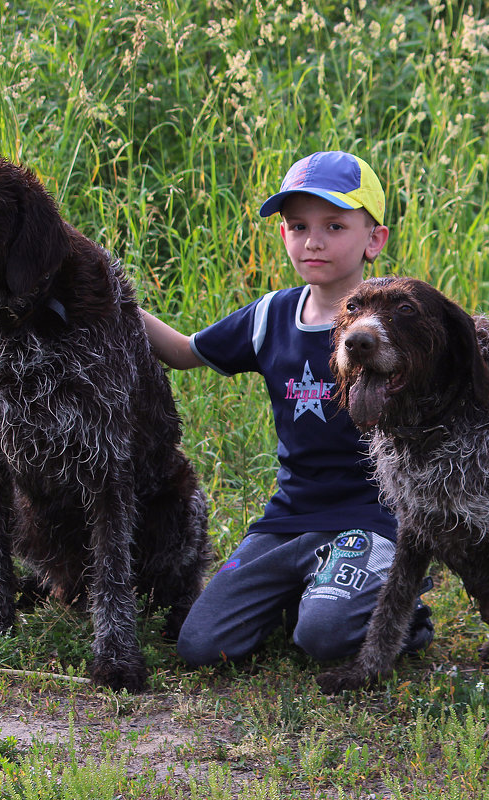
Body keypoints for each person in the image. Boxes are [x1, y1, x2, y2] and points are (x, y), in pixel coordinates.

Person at [142, 151, 433, 666]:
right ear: (283, 236)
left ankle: (398, 610)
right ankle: (311, 591)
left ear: (374, 239)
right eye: (298, 226)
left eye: (335, 225)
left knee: (322, 639)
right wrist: (108, 292)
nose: (313, 240)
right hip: (289, 519)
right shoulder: (271, 314)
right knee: (202, 645)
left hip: (372, 518)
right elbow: (185, 352)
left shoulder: (397, 320)